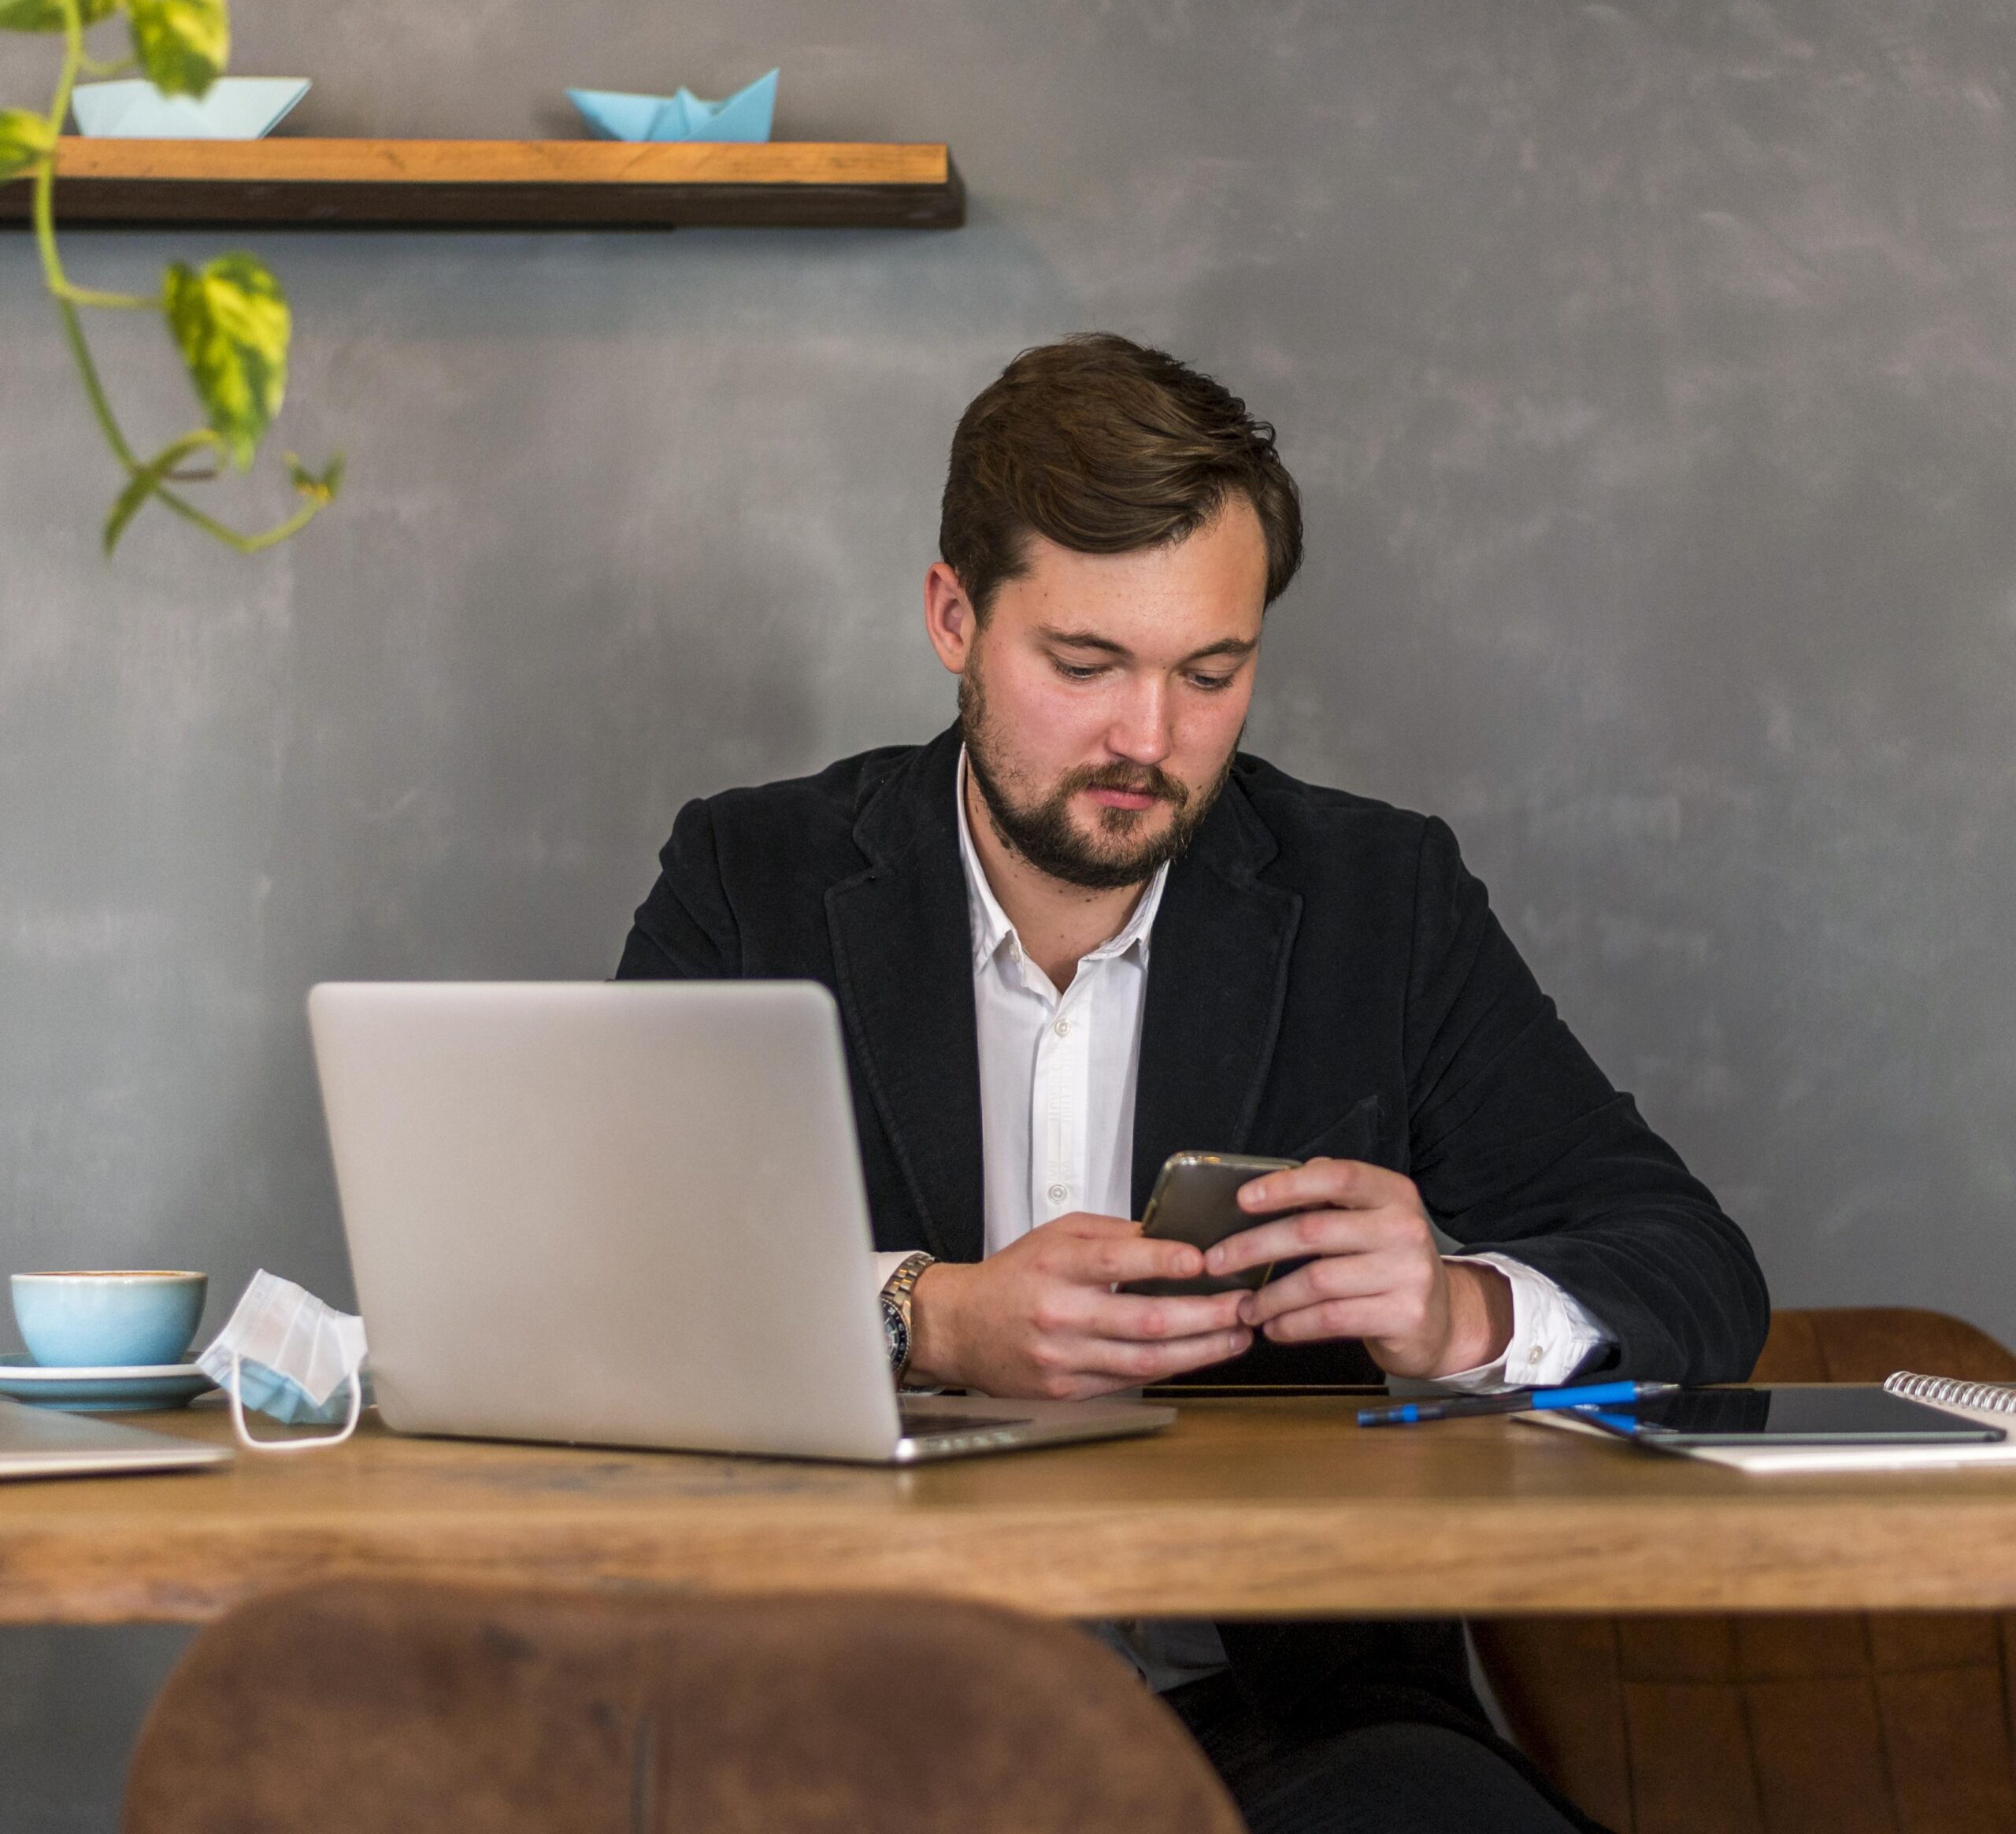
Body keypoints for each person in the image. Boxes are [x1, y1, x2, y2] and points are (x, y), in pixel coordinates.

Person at [616, 334, 1769, 1833]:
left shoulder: (1383, 897)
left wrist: (1456, 1311)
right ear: (953, 617)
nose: (1147, 741)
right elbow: (611, 1285)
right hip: (841, 1715)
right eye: (1085, 666)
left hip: (1288, 1733)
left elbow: (1690, 1272)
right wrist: (926, 1314)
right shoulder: (749, 877)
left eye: (1209, 674)